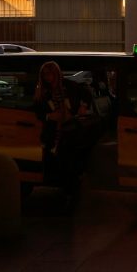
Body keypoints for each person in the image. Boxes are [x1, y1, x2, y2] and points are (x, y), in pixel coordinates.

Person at [34, 61, 91, 197]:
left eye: (50, 74)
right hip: (53, 133)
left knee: (70, 165)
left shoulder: (69, 86)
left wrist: (83, 106)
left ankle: (70, 192)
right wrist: (49, 116)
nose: (48, 78)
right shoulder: (42, 92)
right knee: (56, 164)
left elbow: (86, 93)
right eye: (45, 75)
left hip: (70, 131)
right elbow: (38, 111)